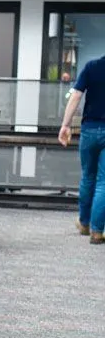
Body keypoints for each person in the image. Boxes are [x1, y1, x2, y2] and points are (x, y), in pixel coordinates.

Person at [59, 56, 105, 244]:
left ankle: (84, 223)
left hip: (90, 130)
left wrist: (65, 125)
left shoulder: (92, 66)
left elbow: (76, 95)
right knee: (104, 181)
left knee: (88, 176)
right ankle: (97, 231)